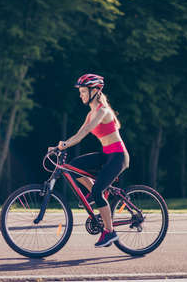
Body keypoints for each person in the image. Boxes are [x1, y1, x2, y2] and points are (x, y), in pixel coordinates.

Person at [49, 73, 130, 247]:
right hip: (106, 155)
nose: (81, 95)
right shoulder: (91, 113)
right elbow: (78, 134)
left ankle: (109, 232)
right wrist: (59, 147)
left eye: (84, 91)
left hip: (118, 156)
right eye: (81, 92)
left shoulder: (102, 111)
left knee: (98, 192)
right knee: (73, 166)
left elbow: (83, 135)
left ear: (95, 91)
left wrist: (64, 145)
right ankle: (94, 193)